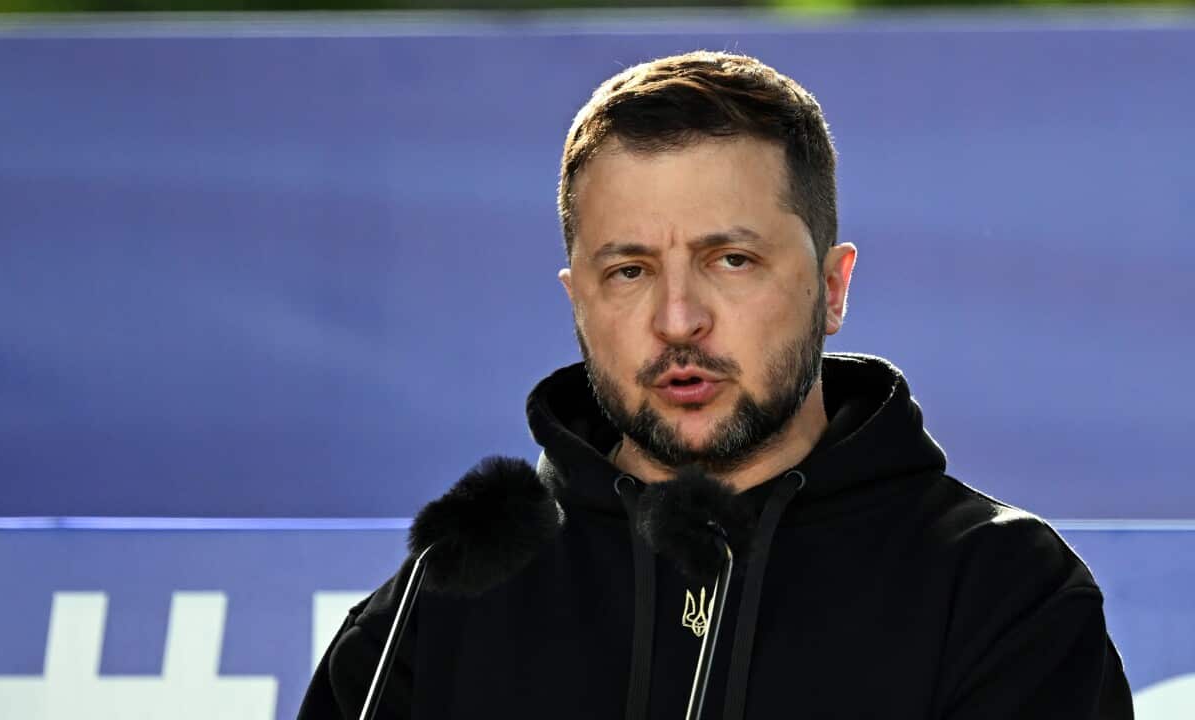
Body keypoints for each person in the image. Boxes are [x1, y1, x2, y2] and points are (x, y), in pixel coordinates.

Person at [299, 50, 1133, 719]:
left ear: (833, 289)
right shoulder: (446, 596)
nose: (678, 319)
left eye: (729, 260)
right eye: (628, 271)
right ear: (578, 303)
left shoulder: (999, 588)